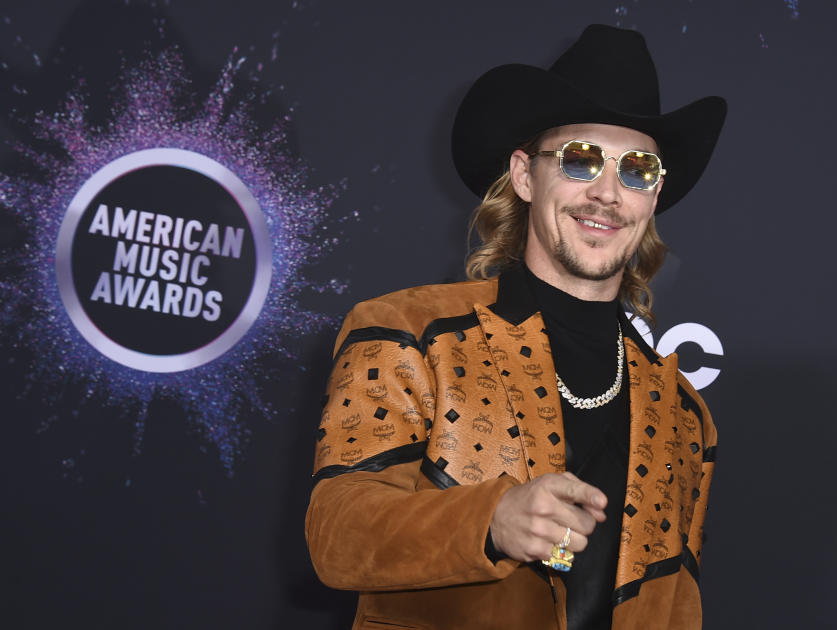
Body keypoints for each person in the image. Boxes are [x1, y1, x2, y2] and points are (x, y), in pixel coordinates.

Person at [305, 25, 725, 630]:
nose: (607, 192)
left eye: (636, 169)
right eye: (581, 160)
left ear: (653, 195)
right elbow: (337, 532)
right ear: (526, 176)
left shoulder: (684, 414)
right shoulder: (410, 333)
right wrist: (491, 521)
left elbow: (677, 606)